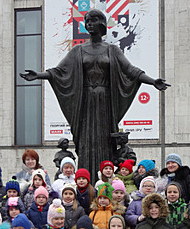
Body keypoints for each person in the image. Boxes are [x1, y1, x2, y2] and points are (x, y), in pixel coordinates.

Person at [20, 9, 168, 184]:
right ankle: (86, 181)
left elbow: (131, 71)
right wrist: (38, 75)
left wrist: (153, 81)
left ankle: (104, 180)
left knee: (105, 140)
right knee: (86, 140)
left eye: (93, 20)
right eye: (87, 21)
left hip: (105, 102)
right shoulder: (78, 50)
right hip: (86, 102)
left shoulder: (112, 50)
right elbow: (59, 72)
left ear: (102, 24)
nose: (89, 23)